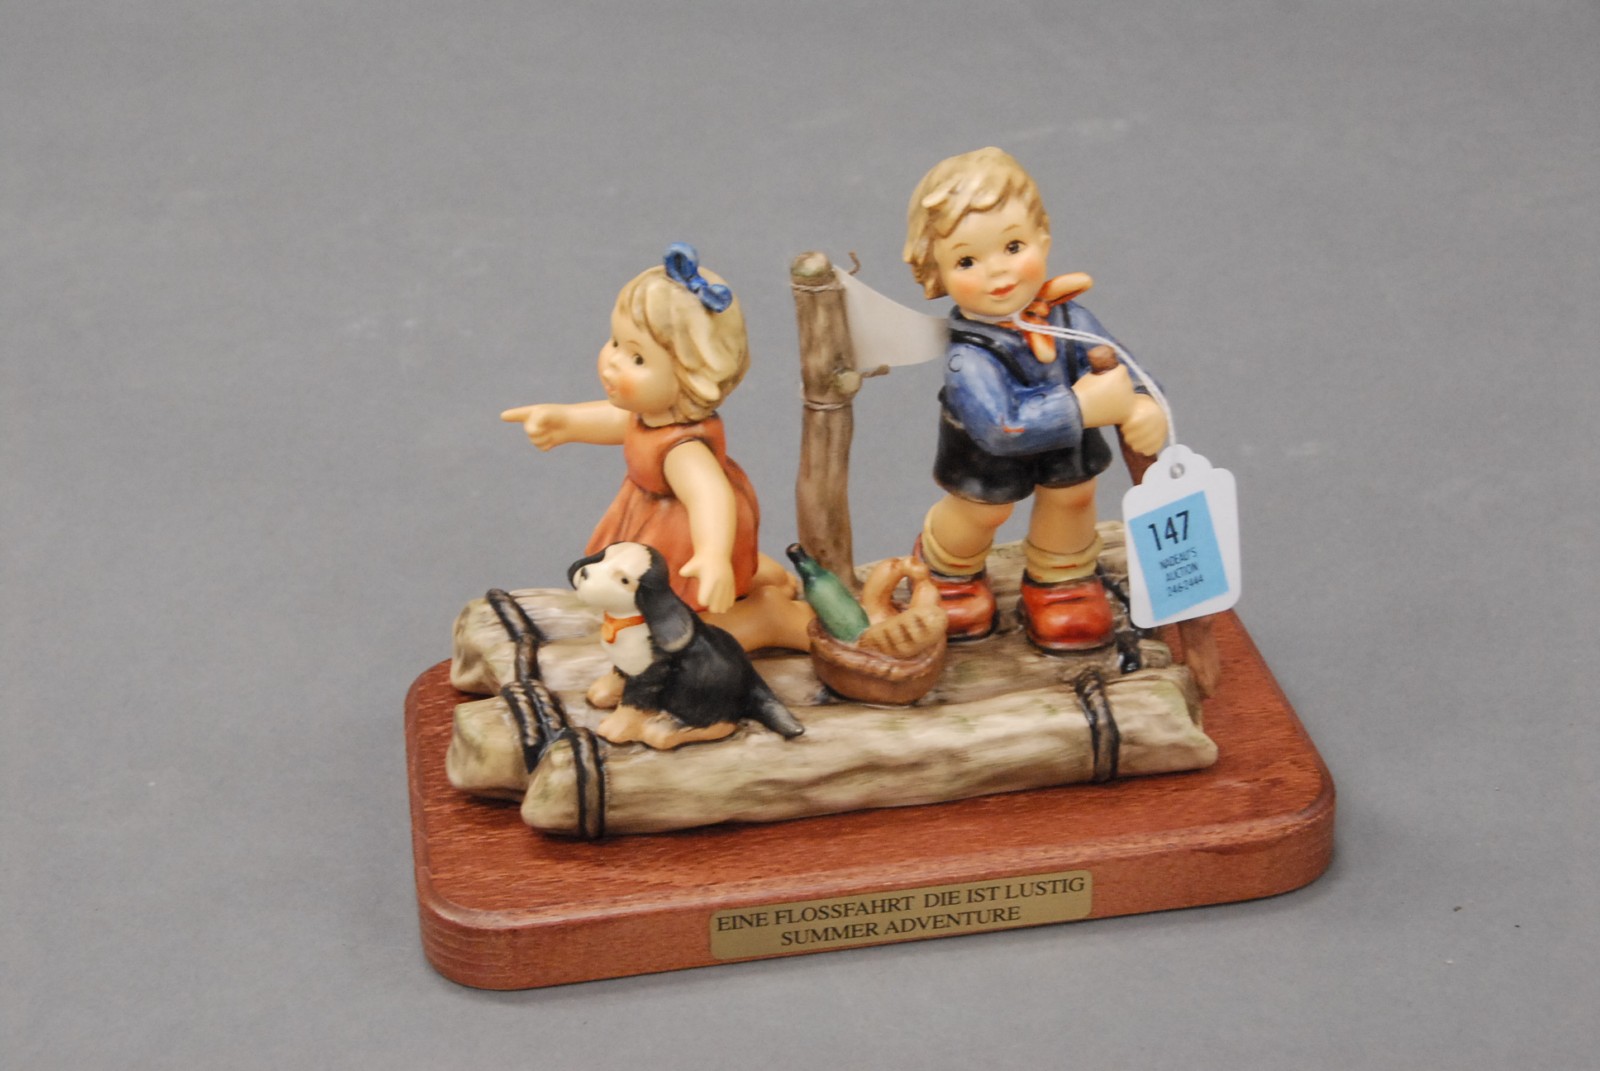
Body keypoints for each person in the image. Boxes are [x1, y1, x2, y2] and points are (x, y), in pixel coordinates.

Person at [902, 148, 1168, 652]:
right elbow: (1002, 427)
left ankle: (1062, 580)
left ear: (1044, 239)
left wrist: (1141, 401)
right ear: (937, 272)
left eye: (1013, 246)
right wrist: (1083, 408)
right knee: (983, 511)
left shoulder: (1071, 320)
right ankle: (947, 570)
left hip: (1066, 442)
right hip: (987, 451)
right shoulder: (969, 357)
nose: (997, 272)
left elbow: (1122, 364)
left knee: (1073, 496)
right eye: (967, 260)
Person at [502, 243, 811, 653]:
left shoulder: (682, 450)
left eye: (637, 359)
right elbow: (618, 421)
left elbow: (710, 496)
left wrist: (712, 554)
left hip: (688, 530)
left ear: (689, 378)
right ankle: (753, 573)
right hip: (655, 515)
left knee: (670, 612)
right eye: (615, 342)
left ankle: (760, 613)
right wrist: (565, 420)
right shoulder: (651, 417)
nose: (613, 362)